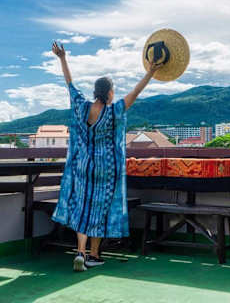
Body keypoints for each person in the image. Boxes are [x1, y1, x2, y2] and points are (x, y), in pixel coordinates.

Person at [50, 41, 162, 271]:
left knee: (82, 208)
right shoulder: (114, 111)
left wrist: (62, 58)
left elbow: (69, 83)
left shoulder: (82, 106)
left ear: (95, 92)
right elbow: (136, 92)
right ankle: (93, 255)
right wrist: (150, 72)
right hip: (106, 170)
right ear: (109, 92)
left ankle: (80, 252)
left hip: (83, 167)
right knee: (99, 212)